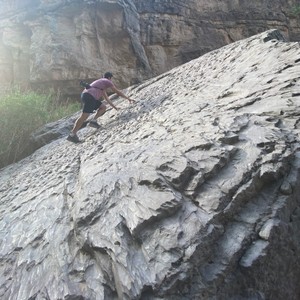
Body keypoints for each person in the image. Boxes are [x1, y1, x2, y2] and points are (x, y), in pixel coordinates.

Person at [67, 71, 135, 143]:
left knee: (103, 107)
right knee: (84, 116)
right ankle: (72, 135)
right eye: (111, 78)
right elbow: (117, 92)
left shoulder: (100, 85)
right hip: (90, 96)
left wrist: (115, 108)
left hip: (87, 95)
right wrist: (128, 99)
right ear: (109, 77)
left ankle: (93, 121)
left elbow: (107, 99)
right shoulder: (107, 81)